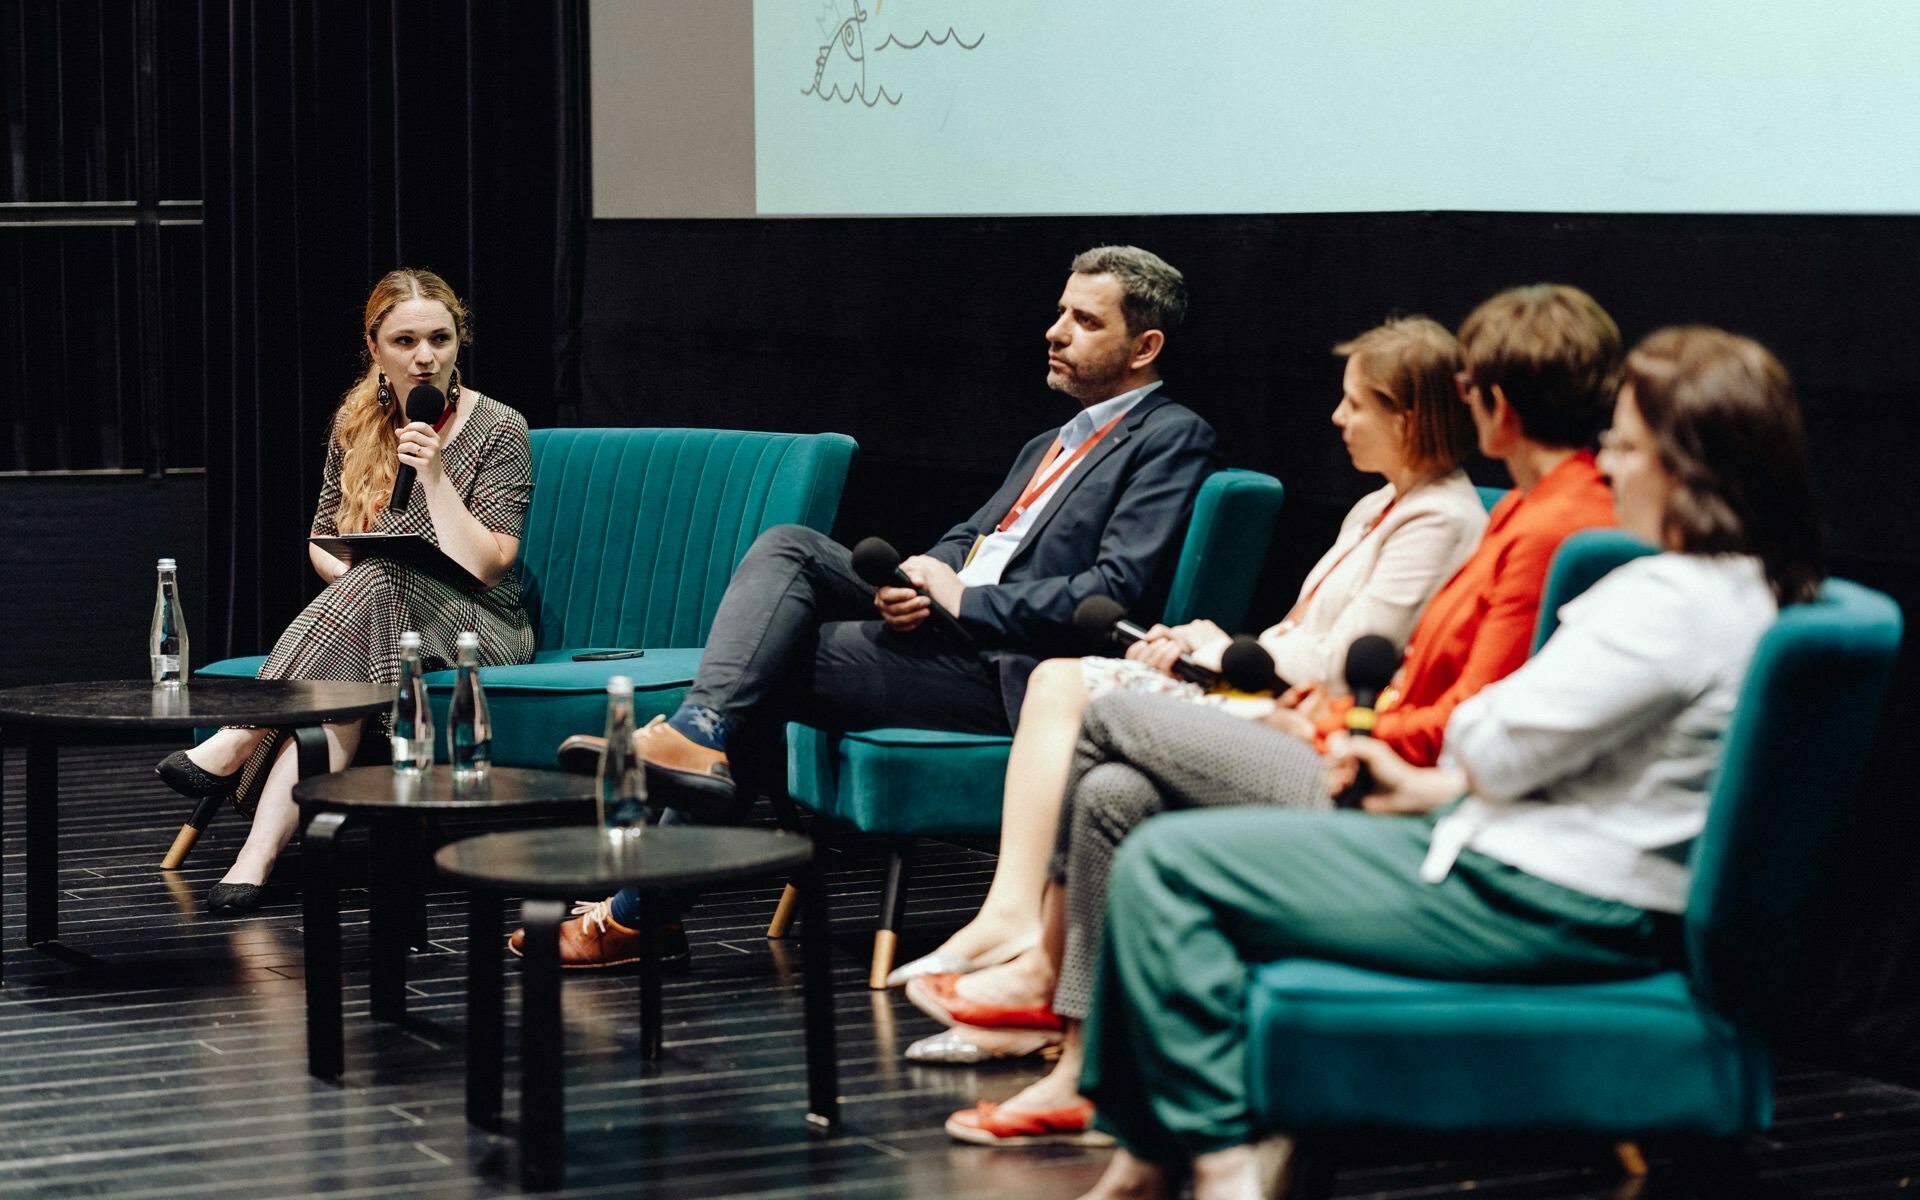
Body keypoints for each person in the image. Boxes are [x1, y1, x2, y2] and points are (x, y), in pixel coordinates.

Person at [1068, 326, 1823, 1200]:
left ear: (1688, 462)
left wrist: (1447, 755)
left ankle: (1220, 1155)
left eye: (1623, 448)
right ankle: (1150, 1158)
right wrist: (1433, 776)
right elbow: (1547, 752)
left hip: (1544, 895)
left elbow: (1492, 740)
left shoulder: (1666, 599)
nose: (1610, 470)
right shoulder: (1745, 585)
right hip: (1547, 861)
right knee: (1131, 807)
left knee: (1166, 862)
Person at [930, 283, 1624, 1144]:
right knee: (1111, 793)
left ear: (1497, 403)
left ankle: (1035, 960)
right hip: (1351, 742)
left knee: (1096, 705)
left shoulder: (1553, 523)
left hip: (1393, 790)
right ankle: (1085, 1071)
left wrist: (1325, 726)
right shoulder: (1517, 508)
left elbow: (1459, 719)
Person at [531, 244, 1220, 968]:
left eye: (1084, 320)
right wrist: (921, 580)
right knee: (791, 549)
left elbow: (1113, 589)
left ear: (1145, 347)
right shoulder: (1053, 441)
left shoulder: (1172, 437)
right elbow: (972, 535)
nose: (1055, 331)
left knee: (763, 667)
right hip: (952, 628)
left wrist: (970, 599)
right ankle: (687, 775)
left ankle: (653, 880)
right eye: (1059, 312)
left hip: (1013, 666)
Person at [890, 315, 1485, 1058]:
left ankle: (1022, 934)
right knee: (1090, 741)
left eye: (1356, 403)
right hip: (1270, 690)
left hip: (1311, 720)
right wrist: (1194, 647)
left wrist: (1218, 653)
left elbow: (1348, 661)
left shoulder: (1440, 516)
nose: (1337, 417)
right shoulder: (1378, 504)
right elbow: (1299, 635)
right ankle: (1047, 985)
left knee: (1072, 683)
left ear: (1410, 415)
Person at [154, 269, 534, 914]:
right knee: (355, 659)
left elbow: (490, 567)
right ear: (375, 348)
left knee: (387, 574)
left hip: (480, 624)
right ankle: (257, 857)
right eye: (406, 340)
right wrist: (356, 573)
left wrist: (436, 478)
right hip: (379, 615)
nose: (425, 357)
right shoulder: (356, 423)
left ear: (458, 342)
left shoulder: (500, 427)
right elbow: (320, 540)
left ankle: (238, 740)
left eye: (440, 339)